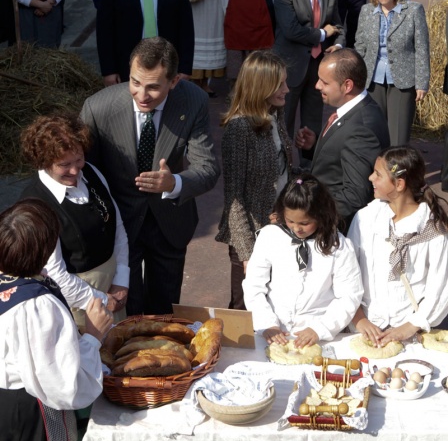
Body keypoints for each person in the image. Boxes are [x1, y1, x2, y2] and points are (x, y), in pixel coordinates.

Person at [81, 37, 220, 315]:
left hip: (169, 223)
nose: (142, 95)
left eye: (153, 87)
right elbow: (85, 174)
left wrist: (175, 183)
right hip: (120, 226)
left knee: (165, 311)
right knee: (126, 313)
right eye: (135, 82)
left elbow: (208, 168)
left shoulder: (193, 101)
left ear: (174, 81)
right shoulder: (98, 108)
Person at [0, 199, 113, 441]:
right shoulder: (36, 305)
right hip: (31, 411)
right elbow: (63, 383)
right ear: (46, 250)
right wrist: (93, 336)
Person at [20, 113, 130, 327]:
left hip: (113, 290)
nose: (75, 170)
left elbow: (117, 228)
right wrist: (104, 300)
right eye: (64, 164)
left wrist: (121, 280)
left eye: (79, 159)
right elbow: (55, 273)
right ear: (44, 162)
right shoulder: (36, 204)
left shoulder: (92, 172)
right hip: (79, 301)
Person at [243, 175, 363, 344]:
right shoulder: (270, 236)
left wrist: (320, 328)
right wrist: (267, 324)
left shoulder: (338, 245)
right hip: (274, 333)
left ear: (320, 215)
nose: (297, 228)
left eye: (305, 223)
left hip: (317, 336)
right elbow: (254, 286)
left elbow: (349, 295)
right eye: (290, 221)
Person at [348, 146, 448, 347]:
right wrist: (359, 318)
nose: (370, 178)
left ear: (399, 184)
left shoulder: (433, 230)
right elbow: (346, 273)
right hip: (366, 331)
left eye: (378, 174)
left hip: (412, 335)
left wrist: (410, 326)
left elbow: (441, 287)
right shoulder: (365, 219)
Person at [216, 50, 292, 310]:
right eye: (280, 84)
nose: (287, 89)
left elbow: (281, 171)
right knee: (245, 310)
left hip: (279, 229)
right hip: (250, 238)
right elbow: (234, 200)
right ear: (262, 87)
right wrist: (247, 253)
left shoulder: (275, 114)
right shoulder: (239, 129)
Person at [296, 48, 390, 228]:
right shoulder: (355, 112)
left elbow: (355, 195)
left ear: (347, 85)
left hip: (334, 230)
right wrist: (315, 146)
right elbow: (343, 156)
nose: (317, 86)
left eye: (324, 82)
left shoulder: (361, 128)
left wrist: (308, 217)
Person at [274, 0, 344, 148]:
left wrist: (338, 47)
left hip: (318, 67)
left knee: (313, 121)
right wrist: (323, 34)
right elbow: (291, 30)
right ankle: (282, 169)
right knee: (283, 121)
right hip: (290, 67)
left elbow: (338, 25)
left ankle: (308, 169)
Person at [354, 0, 430, 146]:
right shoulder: (366, 11)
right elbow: (360, 46)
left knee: (398, 137)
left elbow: (421, 48)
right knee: (375, 133)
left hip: (403, 81)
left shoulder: (413, 10)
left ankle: (397, 173)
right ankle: (379, 172)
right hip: (372, 80)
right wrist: (357, 78)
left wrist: (421, 83)